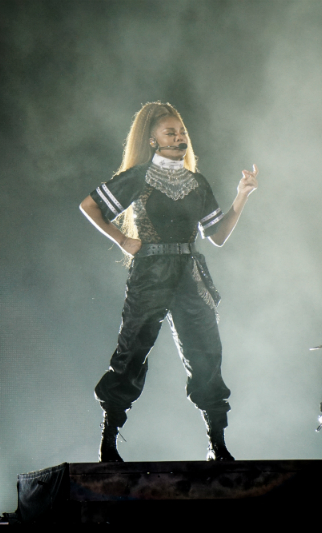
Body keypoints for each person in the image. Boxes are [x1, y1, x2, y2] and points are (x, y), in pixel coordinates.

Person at [80, 102, 259, 462]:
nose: (179, 137)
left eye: (181, 132)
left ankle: (218, 446)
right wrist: (122, 239)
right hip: (150, 272)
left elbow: (217, 235)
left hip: (190, 274)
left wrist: (242, 196)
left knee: (206, 354)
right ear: (152, 140)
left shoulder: (197, 182)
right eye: (170, 132)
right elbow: (89, 205)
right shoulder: (140, 176)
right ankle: (108, 443)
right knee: (131, 353)